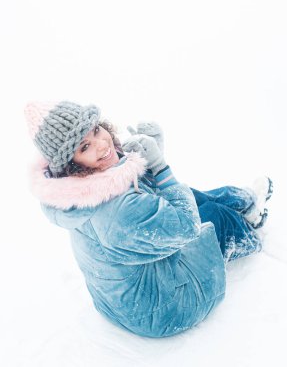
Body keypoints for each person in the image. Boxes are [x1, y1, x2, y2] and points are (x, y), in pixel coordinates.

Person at [24, 100, 273, 338]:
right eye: (84, 147)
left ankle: (247, 200)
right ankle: (249, 230)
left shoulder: (79, 189)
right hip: (163, 307)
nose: (101, 144)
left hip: (120, 301)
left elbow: (149, 200)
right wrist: (159, 165)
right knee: (210, 217)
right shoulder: (116, 212)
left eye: (97, 130)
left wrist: (149, 155)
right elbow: (186, 225)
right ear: (71, 165)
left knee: (187, 195)